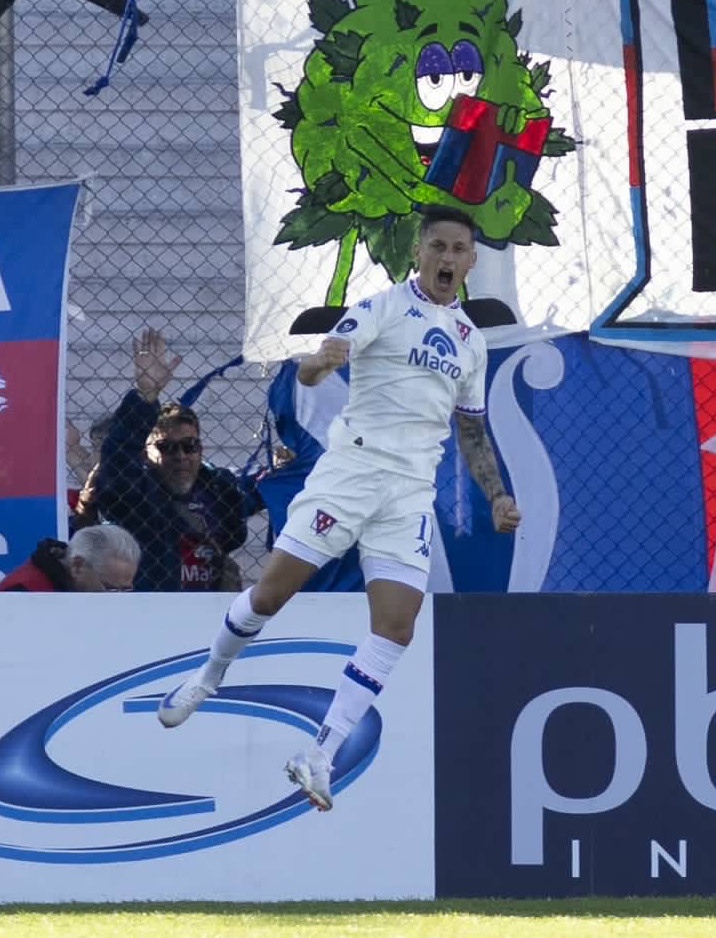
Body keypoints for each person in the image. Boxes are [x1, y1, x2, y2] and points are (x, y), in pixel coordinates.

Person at [154, 208, 522, 809]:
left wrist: (498, 495)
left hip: (408, 494)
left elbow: (472, 432)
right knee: (271, 596)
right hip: (351, 473)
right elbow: (318, 360)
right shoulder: (382, 308)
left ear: (472, 261)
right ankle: (209, 676)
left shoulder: (470, 344)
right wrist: (323, 360)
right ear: (418, 253)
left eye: (459, 249)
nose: (447, 258)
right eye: (437, 247)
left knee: (397, 628)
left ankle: (318, 754)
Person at [89, 329, 267, 593]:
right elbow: (116, 465)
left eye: (189, 446)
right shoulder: (135, 495)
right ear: (146, 452)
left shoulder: (218, 489)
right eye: (167, 447)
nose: (181, 456)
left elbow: (256, 491)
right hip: (157, 614)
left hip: (210, 614)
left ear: (200, 448)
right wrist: (145, 395)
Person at [0, 525, 141, 593]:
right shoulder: (21, 593)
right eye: (111, 589)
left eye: (126, 590)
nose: (120, 601)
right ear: (77, 566)